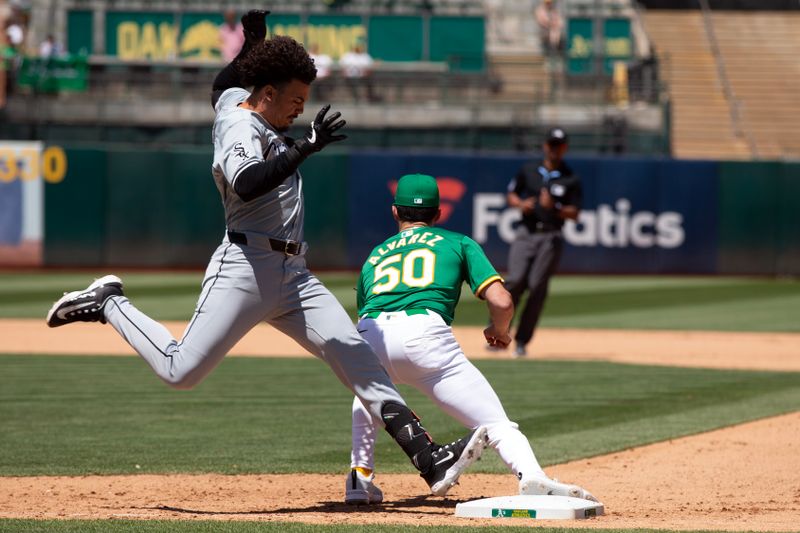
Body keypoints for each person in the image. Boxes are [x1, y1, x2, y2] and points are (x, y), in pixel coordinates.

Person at [45, 13, 486, 498]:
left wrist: (251, 46)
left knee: (358, 358)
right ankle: (110, 301)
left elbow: (223, 84)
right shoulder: (238, 125)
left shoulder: (239, 99)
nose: (301, 108)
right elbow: (247, 183)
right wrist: (304, 148)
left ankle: (429, 458)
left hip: (294, 272)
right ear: (270, 94)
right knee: (181, 372)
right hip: (246, 269)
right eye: (295, 99)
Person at [344, 173, 597, 505]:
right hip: (424, 339)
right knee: (495, 423)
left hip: (369, 336)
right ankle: (532, 476)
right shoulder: (456, 242)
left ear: (395, 212)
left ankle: (359, 479)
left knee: (369, 395)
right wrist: (500, 330)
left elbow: (365, 315)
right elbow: (503, 301)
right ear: (438, 214)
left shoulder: (375, 255)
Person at [504, 127, 581, 357]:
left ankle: (521, 341)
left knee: (537, 287)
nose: (555, 149)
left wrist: (555, 208)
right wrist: (520, 204)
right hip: (526, 231)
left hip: (550, 235)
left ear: (565, 148)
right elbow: (511, 194)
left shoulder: (570, 178)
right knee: (515, 281)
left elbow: (575, 213)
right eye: (551, 144)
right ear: (545, 146)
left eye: (559, 145)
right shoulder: (529, 170)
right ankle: (499, 329)